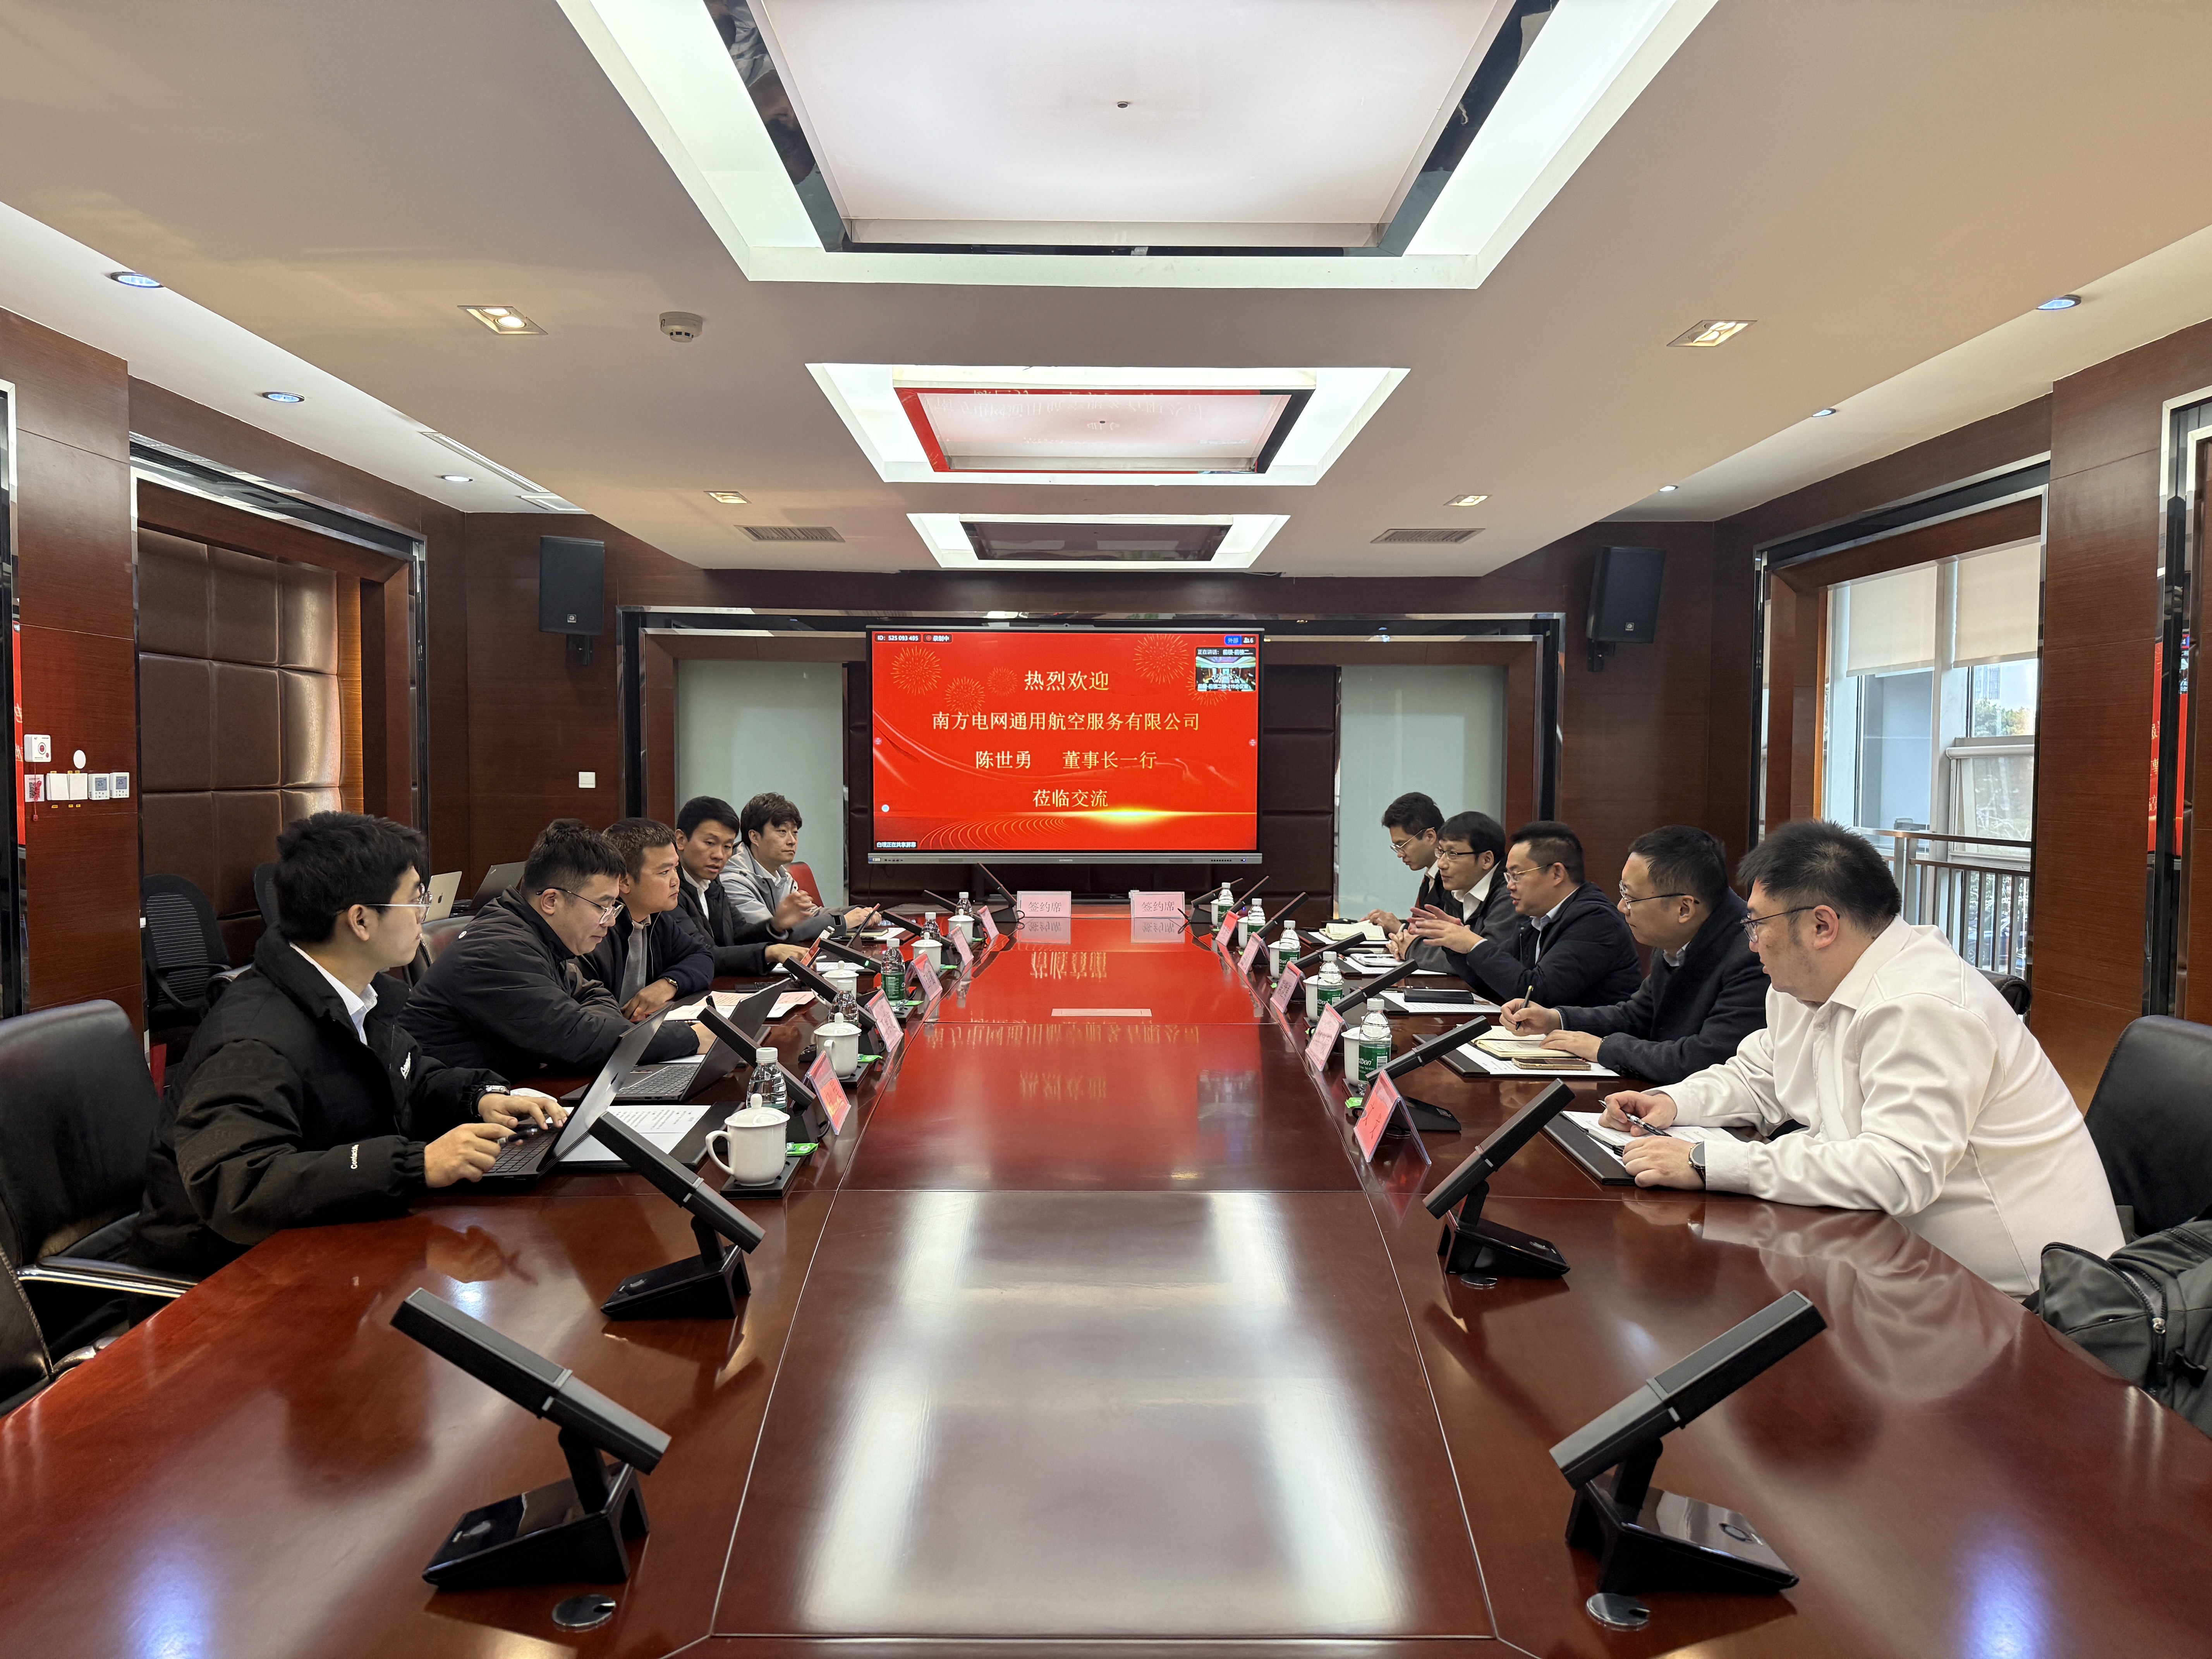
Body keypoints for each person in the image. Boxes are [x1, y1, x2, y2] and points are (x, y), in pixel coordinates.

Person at [1609, 820, 2122, 1297]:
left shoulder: (1924, 1005)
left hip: (2020, 1299)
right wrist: (1670, 1103)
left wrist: (1710, 1162)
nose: (1752, 941)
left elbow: (1896, 1170)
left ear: (1822, 926)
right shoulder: (1804, 982)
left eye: (1758, 923)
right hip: (1891, 1258)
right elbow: (1760, 1074)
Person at [129, 813, 565, 1278]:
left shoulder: (361, 997)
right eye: (415, 898)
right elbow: (239, 1187)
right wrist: (415, 1165)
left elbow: (411, 1080)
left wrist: (480, 1098)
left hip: (331, 1245)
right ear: (360, 920)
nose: (424, 912)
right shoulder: (252, 1041)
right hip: (229, 1283)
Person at [402, 819, 709, 1077]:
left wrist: (602, 1026)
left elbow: (592, 994)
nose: (611, 921)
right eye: (603, 906)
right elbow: (576, 1038)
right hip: (458, 1117)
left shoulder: (536, 935)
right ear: (551, 901)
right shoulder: (497, 950)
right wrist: (691, 1037)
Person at [1499, 824, 1767, 1083]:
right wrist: (1556, 1019)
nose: (1621, 907)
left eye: (1631, 898)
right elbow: (1636, 1016)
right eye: (1622, 893)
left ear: (1684, 909)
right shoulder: (1678, 935)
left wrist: (1603, 1048)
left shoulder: (1753, 954)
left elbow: (1706, 1059)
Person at [1413, 819, 1641, 1006]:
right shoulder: (1537, 919)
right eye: (1508, 877)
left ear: (1557, 874)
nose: (1510, 886)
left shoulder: (1595, 920)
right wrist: (1457, 946)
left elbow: (1537, 993)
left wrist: (1474, 944)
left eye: (1517, 875)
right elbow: (1491, 981)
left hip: (1593, 1043)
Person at [585, 818, 718, 1020]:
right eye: (664, 872)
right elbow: (591, 1017)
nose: (676, 881)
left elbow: (702, 956)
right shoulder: (596, 931)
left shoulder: (656, 918)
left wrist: (668, 984)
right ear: (624, 882)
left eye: (675, 868)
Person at [671, 795, 810, 977]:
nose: (719, 855)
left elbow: (739, 934)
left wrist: (775, 926)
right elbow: (703, 954)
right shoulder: (670, 890)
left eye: (727, 846)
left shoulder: (712, 883)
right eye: (710, 843)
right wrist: (769, 952)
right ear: (681, 840)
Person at [722, 791, 877, 943]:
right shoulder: (732, 880)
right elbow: (773, 932)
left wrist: (857, 912)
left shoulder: (781, 874)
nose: (792, 841)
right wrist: (843, 921)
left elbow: (811, 914)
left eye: (795, 833)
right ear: (755, 837)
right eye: (782, 832)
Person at [1393, 810, 1513, 967]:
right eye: (1441, 852)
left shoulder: (1510, 896)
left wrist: (1412, 949)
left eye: (1453, 854)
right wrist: (1404, 941)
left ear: (1486, 860)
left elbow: (1486, 962)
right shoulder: (1456, 890)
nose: (1441, 864)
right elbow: (1450, 947)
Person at [1362, 792, 1447, 934]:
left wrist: (1400, 928)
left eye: (1402, 845)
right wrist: (1389, 926)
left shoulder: (1453, 879)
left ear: (1430, 837)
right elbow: (1423, 927)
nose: (1400, 854)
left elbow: (1440, 937)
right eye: (1396, 847)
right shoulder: (1431, 876)